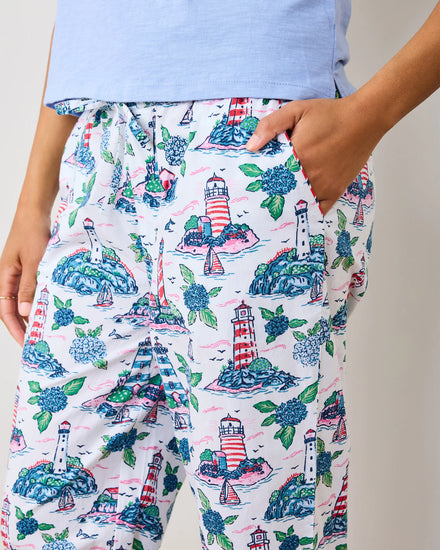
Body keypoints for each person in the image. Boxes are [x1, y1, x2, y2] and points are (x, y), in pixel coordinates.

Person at [0, 2, 438, 549]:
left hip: (255, 142)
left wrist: (366, 118)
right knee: (50, 524)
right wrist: (33, 201)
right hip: (95, 156)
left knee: (260, 529)